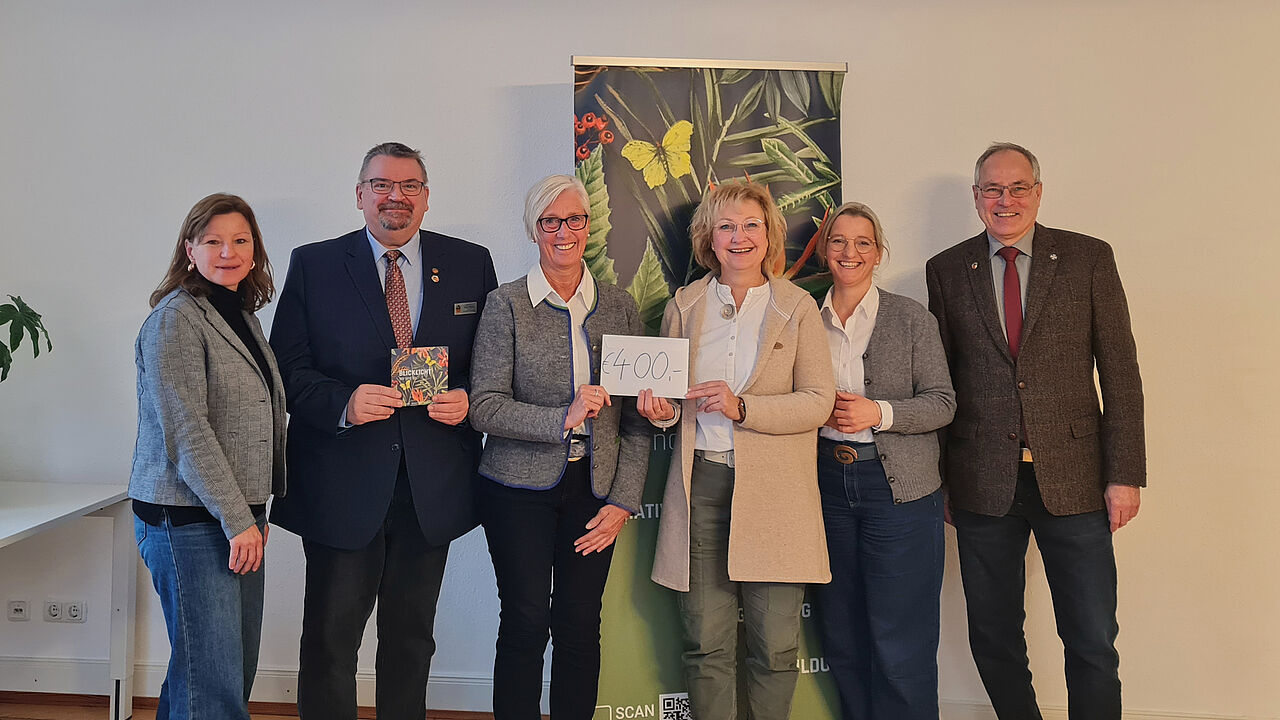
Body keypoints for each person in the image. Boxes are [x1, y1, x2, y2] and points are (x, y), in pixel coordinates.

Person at [269, 142, 498, 720]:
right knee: (330, 639)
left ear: (425, 196)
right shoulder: (314, 264)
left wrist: (468, 398)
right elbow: (286, 371)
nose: (395, 196)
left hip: (430, 486)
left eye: (409, 185)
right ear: (359, 194)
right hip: (342, 482)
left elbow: (491, 364)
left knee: (412, 638)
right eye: (381, 185)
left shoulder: (471, 263)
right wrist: (343, 402)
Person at [925, 142, 1145, 720]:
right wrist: (944, 478)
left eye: (1017, 187)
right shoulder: (947, 270)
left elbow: (1120, 372)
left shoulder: (1088, 258)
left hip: (1076, 480)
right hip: (981, 484)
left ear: (1038, 193)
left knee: (1092, 637)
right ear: (976, 198)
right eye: (992, 189)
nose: (1005, 200)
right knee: (993, 636)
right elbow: (942, 381)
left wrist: (1125, 475)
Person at [636, 181, 835, 720]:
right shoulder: (684, 306)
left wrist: (743, 407)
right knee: (706, 642)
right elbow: (675, 400)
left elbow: (819, 402)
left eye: (751, 225)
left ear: (769, 234)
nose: (739, 236)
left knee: (774, 646)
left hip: (776, 494)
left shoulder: (798, 308)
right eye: (726, 226)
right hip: (701, 485)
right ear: (709, 237)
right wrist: (664, 412)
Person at [468, 175, 651, 720]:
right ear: (534, 231)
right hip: (515, 491)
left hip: (593, 493)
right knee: (526, 622)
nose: (564, 231)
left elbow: (636, 421)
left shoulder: (620, 307)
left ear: (587, 226)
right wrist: (562, 418)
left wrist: (623, 500)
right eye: (550, 222)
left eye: (573, 219)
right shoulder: (506, 306)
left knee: (578, 625)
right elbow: (484, 406)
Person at [129, 192, 286, 720]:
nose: (229, 252)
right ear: (189, 249)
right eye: (213, 241)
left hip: (236, 517)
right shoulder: (176, 319)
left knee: (216, 673)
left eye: (241, 240)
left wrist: (260, 511)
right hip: (188, 522)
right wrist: (238, 518)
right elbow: (186, 430)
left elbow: (259, 417)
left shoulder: (242, 314)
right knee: (214, 687)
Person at [810, 202, 955, 720]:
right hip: (824, 485)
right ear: (825, 250)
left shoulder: (911, 318)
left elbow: (943, 402)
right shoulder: (804, 315)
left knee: (902, 636)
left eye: (863, 242)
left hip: (899, 491)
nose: (850, 252)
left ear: (878, 253)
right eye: (839, 241)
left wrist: (880, 412)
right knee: (842, 631)